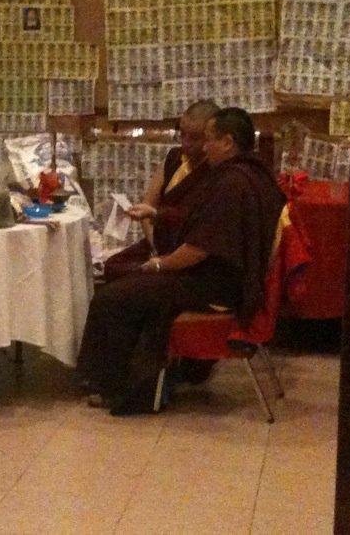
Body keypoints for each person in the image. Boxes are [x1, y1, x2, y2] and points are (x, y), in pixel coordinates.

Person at [76, 107, 286, 416]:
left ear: (228, 142)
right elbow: (201, 221)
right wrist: (156, 215)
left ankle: (112, 385)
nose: (204, 147)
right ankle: (138, 380)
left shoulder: (232, 183)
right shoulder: (253, 174)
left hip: (215, 285)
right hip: (226, 276)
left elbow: (199, 249)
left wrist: (159, 265)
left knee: (115, 296)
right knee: (133, 287)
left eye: (209, 139)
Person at [103, 100, 220, 281]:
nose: (186, 143)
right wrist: (155, 247)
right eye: (182, 134)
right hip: (158, 242)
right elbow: (148, 204)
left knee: (135, 279)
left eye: (194, 138)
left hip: (186, 253)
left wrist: (166, 260)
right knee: (113, 266)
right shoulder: (174, 158)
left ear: (210, 137)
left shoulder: (216, 171)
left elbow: (201, 232)